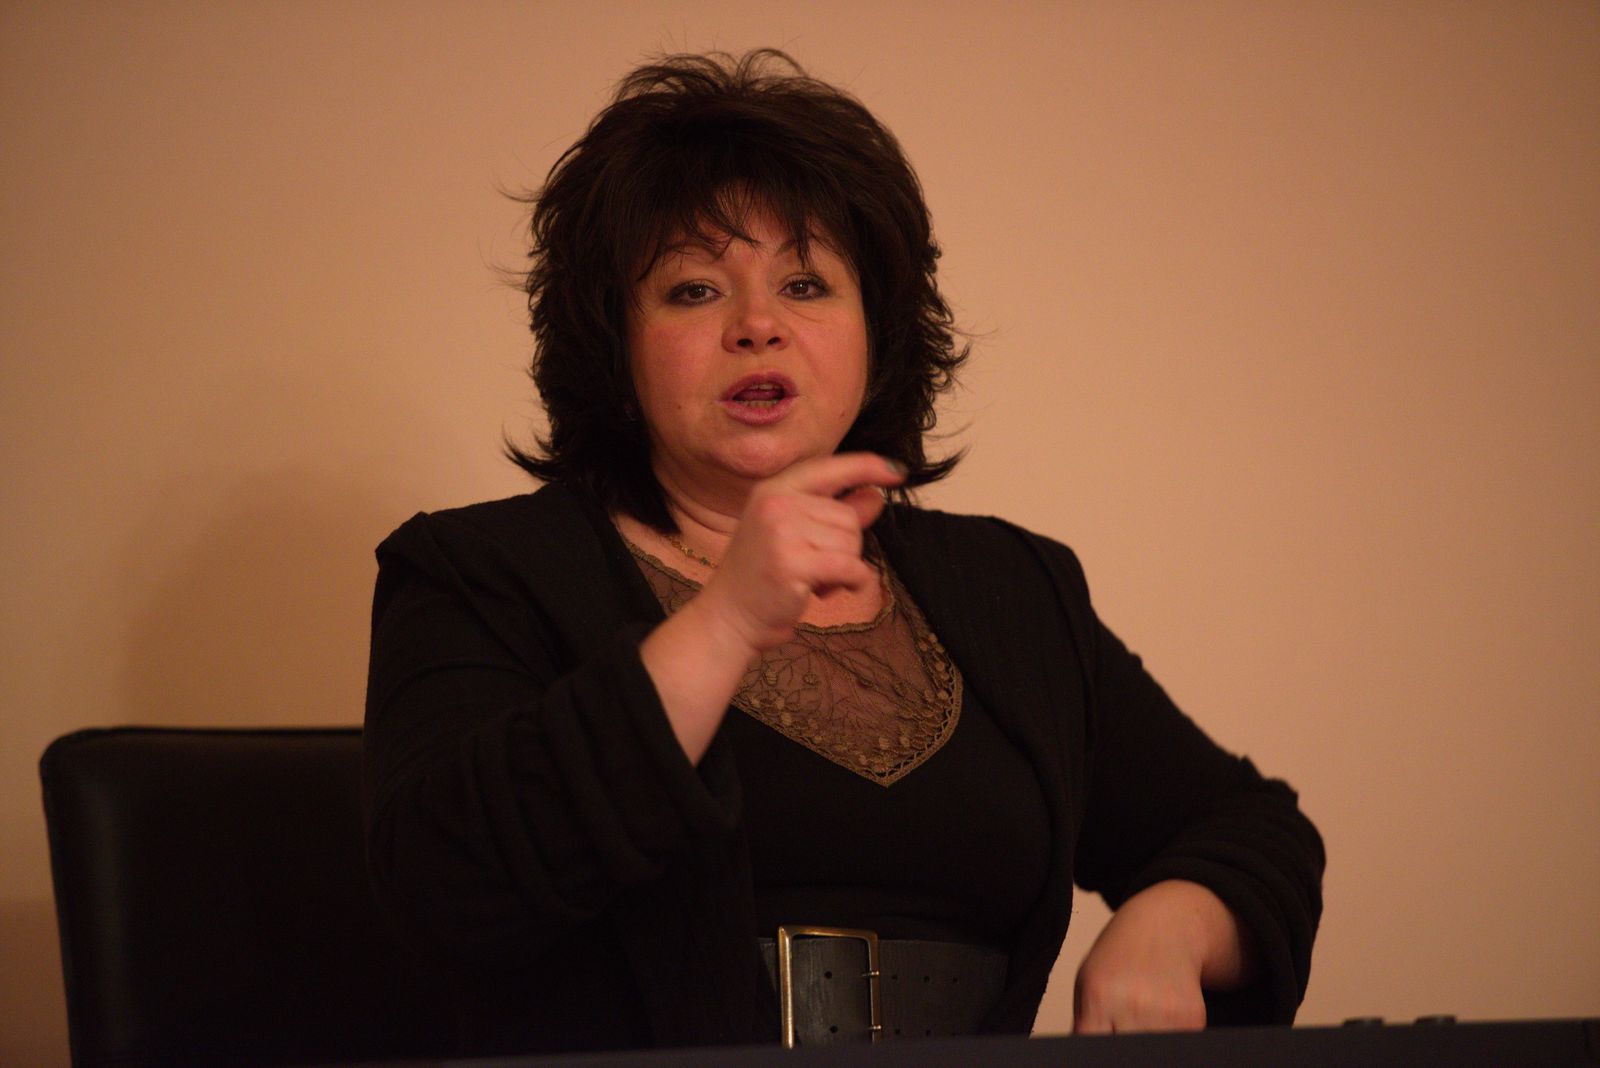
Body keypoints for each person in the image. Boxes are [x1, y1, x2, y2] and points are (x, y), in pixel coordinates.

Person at [363, 50, 1323, 1056]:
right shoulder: (480, 571)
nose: (758, 326)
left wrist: (1168, 927)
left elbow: (1250, 832)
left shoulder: (1013, 589)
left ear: (877, 330)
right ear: (615, 343)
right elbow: (439, 880)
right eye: (693, 290)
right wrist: (729, 617)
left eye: (805, 283)